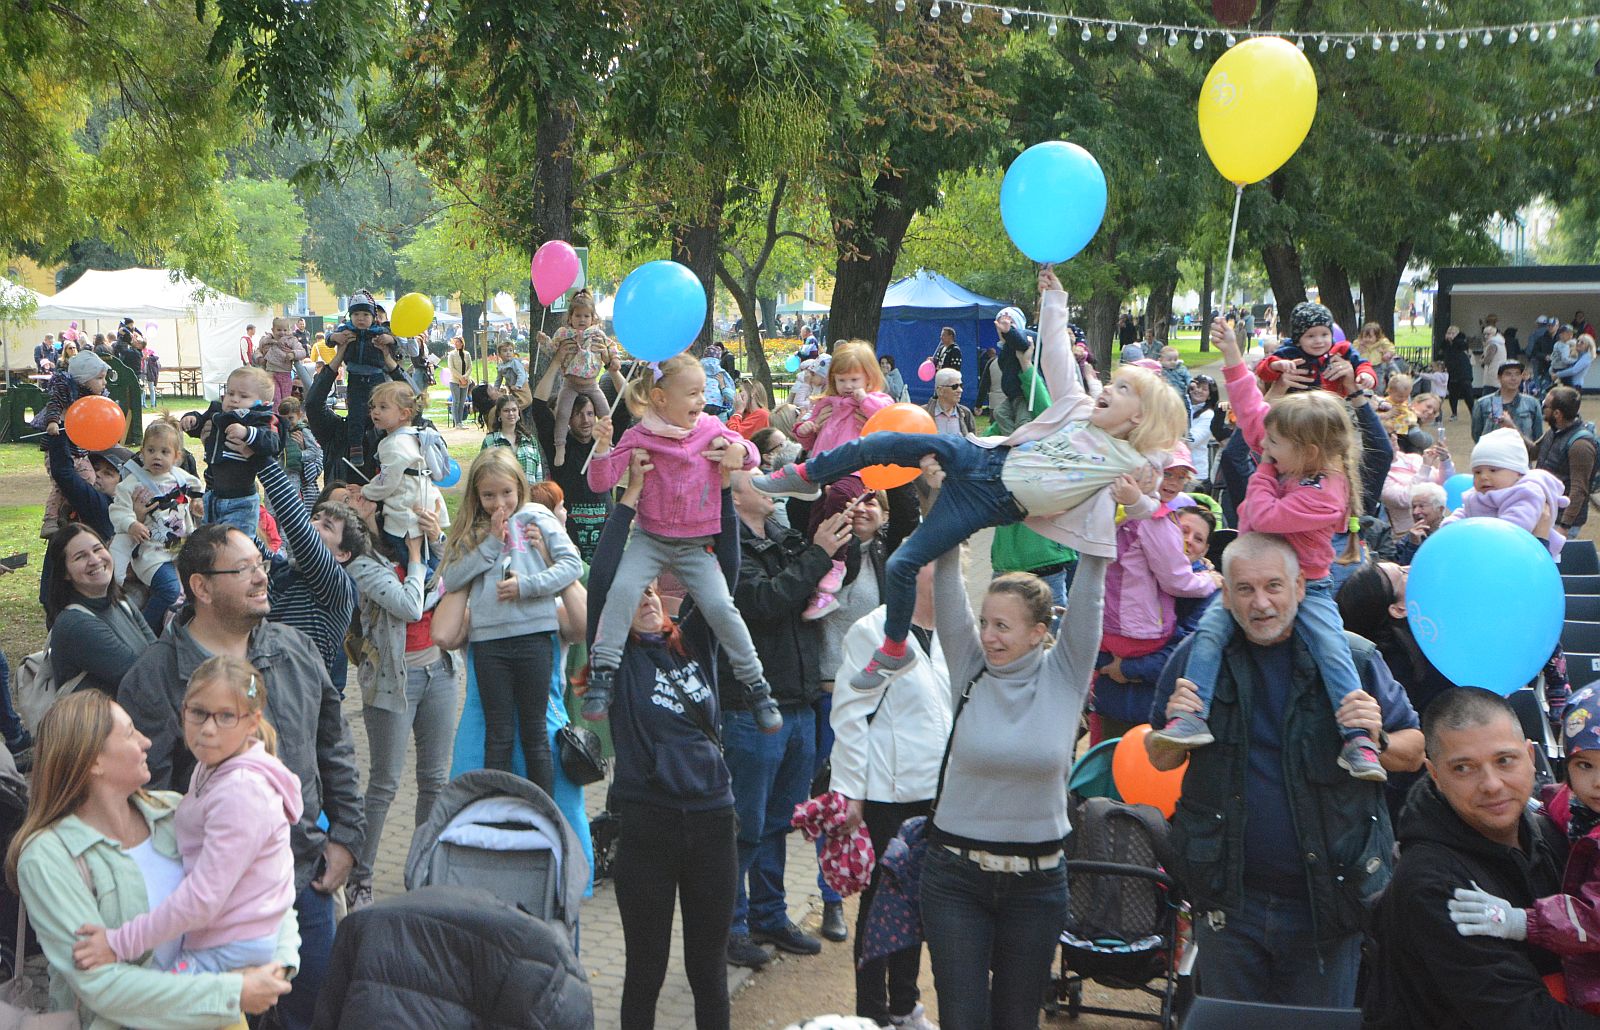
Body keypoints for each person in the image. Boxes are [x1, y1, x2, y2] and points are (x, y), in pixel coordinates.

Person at [756, 267, 1184, 692]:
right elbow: (1055, 357)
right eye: (1115, 382)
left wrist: (1140, 493)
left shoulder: (1128, 460)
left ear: (1140, 417)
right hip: (985, 459)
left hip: (992, 505)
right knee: (884, 441)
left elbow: (1153, 495)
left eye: (1124, 390)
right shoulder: (1077, 409)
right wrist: (1054, 303)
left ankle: (893, 648)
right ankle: (805, 474)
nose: (1109, 388)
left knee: (904, 562)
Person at [1150, 533, 1423, 1007]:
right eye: (1245, 589)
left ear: (1300, 586)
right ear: (1225, 593)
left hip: (1327, 904)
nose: (1261, 603)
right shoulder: (1196, 660)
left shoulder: (1352, 658)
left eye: (1274, 586)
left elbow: (1414, 751)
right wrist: (1174, 721)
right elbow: (1160, 757)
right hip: (1228, 903)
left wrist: (1376, 738)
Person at [116, 523, 366, 1029]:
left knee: (314, 1015)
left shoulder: (294, 649)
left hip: (304, 883)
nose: (261, 577)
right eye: (244, 568)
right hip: (212, 911)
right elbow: (143, 797)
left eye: (261, 564)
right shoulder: (155, 676)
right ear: (201, 587)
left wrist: (346, 840)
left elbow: (334, 747)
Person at [1149, 317, 1386, 780]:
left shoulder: (1325, 489)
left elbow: (1263, 515)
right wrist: (1234, 355)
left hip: (1309, 587)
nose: (1262, 446)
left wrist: (1260, 473)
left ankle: (1357, 738)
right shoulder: (1288, 452)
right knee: (1211, 634)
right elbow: (1253, 410)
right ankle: (1191, 715)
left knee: (1331, 647)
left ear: (1309, 450)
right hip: (1250, 578)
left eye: (1273, 444)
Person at [8, 691, 296, 1027]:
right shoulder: (46, 857)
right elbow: (101, 986)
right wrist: (232, 993)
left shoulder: (176, 811)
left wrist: (280, 962)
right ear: (93, 761)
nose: (146, 742)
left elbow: (264, 885)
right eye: (130, 733)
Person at [918, 534, 1107, 1028]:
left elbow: (1090, 591)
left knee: (1016, 1020)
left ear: (1038, 632)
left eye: (1002, 626)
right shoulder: (969, 666)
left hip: (1037, 886)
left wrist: (1100, 510)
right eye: (985, 623)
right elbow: (947, 588)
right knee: (962, 1018)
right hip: (955, 877)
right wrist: (946, 507)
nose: (988, 636)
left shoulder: (1065, 675)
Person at [591, 450, 740, 1030]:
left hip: (711, 821)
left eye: (655, 592)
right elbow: (604, 580)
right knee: (645, 968)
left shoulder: (696, 642)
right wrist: (628, 502)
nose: (648, 598)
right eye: (639, 595)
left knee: (708, 970)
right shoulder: (620, 659)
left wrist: (722, 491)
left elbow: (723, 578)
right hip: (648, 824)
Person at [1363, 688, 1600, 1029]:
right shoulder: (1430, 882)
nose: (1491, 784)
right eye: (1464, 768)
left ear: (1531, 758)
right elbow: (1519, 1017)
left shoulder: (1554, 833)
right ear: (1435, 775)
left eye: (1504, 761)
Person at [583, 355, 780, 729]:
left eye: (703, 391)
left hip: (695, 544)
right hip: (650, 538)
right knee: (623, 589)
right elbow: (600, 482)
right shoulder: (640, 434)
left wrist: (742, 452)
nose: (702, 400)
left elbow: (750, 453)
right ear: (660, 398)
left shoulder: (710, 428)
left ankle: (756, 684)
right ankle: (602, 673)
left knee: (722, 606)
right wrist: (604, 448)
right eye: (693, 393)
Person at [72, 656, 300, 977]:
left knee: (159, 1008)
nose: (207, 729)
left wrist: (118, 943)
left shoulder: (241, 792)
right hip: (219, 938)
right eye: (197, 712)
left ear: (252, 722)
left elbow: (202, 899)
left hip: (229, 948)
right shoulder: (211, 767)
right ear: (183, 711)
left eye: (225, 716)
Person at [723, 471, 853, 966]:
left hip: (797, 703)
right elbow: (766, 602)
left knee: (779, 820)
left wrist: (849, 534)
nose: (772, 488)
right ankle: (730, 928)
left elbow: (823, 582)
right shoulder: (726, 548)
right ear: (736, 497)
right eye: (760, 482)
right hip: (752, 708)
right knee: (744, 826)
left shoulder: (782, 536)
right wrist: (818, 555)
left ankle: (769, 916)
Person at [829, 564, 947, 1030]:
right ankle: (871, 1014)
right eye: (939, 563)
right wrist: (851, 792)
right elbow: (851, 711)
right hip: (886, 795)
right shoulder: (872, 630)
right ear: (911, 569)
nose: (949, 573)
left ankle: (904, 1006)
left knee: (919, 904)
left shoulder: (959, 629)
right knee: (881, 908)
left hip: (939, 795)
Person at [1447, 686, 1600, 1015]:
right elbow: (1556, 806)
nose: (1597, 781)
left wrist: (1520, 922)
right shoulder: (1577, 805)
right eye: (1585, 765)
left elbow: (1595, 918)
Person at [438, 449, 579, 795]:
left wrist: (527, 587)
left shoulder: (537, 517)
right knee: (498, 733)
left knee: (534, 732)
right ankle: (498, 809)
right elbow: (452, 578)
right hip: (489, 645)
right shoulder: (474, 529)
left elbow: (571, 566)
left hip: (535, 636)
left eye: (506, 493)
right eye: (488, 495)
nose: (498, 502)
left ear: (519, 487)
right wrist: (490, 543)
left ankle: (541, 811)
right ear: (477, 495)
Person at [342, 497, 454, 912]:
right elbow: (409, 606)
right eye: (401, 513)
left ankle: (421, 870)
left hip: (439, 672)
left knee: (435, 780)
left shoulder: (425, 548)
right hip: (392, 680)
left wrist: (436, 539)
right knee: (385, 783)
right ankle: (360, 876)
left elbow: (456, 571)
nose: (411, 520)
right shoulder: (365, 562)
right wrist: (412, 554)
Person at [1095, 448, 1222, 739]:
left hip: (1153, 709)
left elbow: (1187, 650)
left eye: (1199, 538)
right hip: (1112, 701)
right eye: (1183, 530)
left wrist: (1125, 667)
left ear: (1206, 549)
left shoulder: (1208, 594)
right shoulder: (1151, 527)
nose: (1188, 541)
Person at [110, 420, 203, 633]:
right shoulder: (132, 483)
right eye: (151, 450)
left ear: (177, 457)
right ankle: (144, 630)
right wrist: (132, 523)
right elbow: (117, 511)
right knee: (169, 590)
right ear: (142, 453)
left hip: (181, 548)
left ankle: (183, 630)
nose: (157, 457)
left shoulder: (179, 477)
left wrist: (197, 501)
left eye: (164, 451)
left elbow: (197, 486)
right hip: (151, 553)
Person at [43, 523, 157, 695]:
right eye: (80, 557)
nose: (95, 560)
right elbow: (141, 679)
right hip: (103, 720)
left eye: (97, 549)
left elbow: (159, 653)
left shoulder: (121, 601)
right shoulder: (76, 625)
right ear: (65, 573)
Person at [182, 366, 281, 541]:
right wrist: (193, 420)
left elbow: (272, 443)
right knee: (211, 544)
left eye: (243, 396)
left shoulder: (260, 419)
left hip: (241, 498)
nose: (234, 400)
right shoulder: (217, 412)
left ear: (262, 403)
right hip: (212, 496)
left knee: (235, 543)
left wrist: (248, 433)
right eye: (230, 393)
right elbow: (201, 423)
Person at [1444, 427, 1569, 556]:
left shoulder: (1525, 493)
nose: (1483, 476)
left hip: (1518, 552)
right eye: (1477, 472)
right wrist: (1450, 528)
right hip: (1486, 552)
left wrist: (1475, 536)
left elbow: (1513, 527)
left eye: (1493, 470)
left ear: (1518, 473)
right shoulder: (1477, 496)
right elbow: (1465, 512)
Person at [304, 334, 409, 478]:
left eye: (377, 404)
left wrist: (388, 360)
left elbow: (414, 403)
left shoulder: (392, 431)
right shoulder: (335, 431)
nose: (365, 405)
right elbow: (313, 404)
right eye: (357, 397)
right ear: (348, 400)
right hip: (341, 496)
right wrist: (338, 358)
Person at [359, 380, 432, 567]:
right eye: (373, 406)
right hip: (421, 508)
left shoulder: (394, 445)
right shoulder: (411, 435)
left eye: (383, 407)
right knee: (428, 557)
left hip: (404, 518)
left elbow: (387, 482)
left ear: (404, 414)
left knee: (411, 562)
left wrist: (365, 491)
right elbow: (389, 473)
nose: (375, 412)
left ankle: (426, 588)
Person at [546, 291, 612, 466]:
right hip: (570, 383)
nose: (582, 319)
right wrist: (544, 342)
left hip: (592, 384)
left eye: (586, 316)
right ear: (570, 318)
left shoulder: (597, 334)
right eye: (578, 316)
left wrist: (613, 358)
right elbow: (552, 349)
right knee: (562, 413)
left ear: (592, 318)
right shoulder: (564, 333)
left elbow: (610, 347)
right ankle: (560, 446)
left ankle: (608, 442)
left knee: (605, 412)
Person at [795, 342, 894, 458]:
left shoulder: (876, 398)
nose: (848, 386)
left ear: (869, 377)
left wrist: (865, 400)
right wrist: (805, 432)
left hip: (854, 466)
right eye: (841, 380)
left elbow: (886, 416)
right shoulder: (826, 402)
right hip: (823, 465)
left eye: (854, 380)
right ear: (833, 379)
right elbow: (810, 443)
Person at [1255, 302, 1377, 397]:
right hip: (1298, 406)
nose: (1319, 341)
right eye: (1311, 336)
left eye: (1324, 334)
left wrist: (1366, 374)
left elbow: (1362, 363)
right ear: (1298, 339)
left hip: (1334, 405)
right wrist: (1275, 365)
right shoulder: (1289, 352)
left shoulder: (1341, 349)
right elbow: (1262, 370)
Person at [1538, 385, 1597, 539]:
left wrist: (1564, 528)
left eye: (1545, 405)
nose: (1542, 407)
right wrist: (1512, 429)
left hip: (1560, 521)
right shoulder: (1554, 432)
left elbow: (1579, 490)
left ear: (1557, 414)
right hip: (1546, 513)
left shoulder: (1580, 444)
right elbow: (1533, 451)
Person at [481, 392, 546, 484]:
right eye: (506, 410)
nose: (511, 413)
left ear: (518, 412)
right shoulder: (490, 441)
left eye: (514, 410)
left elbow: (538, 473)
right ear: (499, 414)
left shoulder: (530, 440)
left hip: (529, 496)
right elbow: (483, 473)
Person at [1471, 360, 1542, 442]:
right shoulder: (1483, 404)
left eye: (1517, 374)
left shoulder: (1532, 403)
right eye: (1508, 374)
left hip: (1522, 452)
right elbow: (1477, 435)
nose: (1513, 378)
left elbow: (1537, 436)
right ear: (1499, 377)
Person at [924, 367, 974, 438]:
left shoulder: (966, 414)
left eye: (961, 385)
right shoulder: (923, 414)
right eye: (955, 386)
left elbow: (973, 444)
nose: (960, 390)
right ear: (940, 390)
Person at [1441, 325, 1476, 421]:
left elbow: (1463, 347)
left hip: (1463, 371)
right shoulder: (1446, 344)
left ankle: (1473, 413)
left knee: (1467, 393)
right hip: (1452, 371)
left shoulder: (1461, 342)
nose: (1450, 335)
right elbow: (1442, 352)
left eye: (1453, 333)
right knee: (1453, 393)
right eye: (1449, 333)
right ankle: (1454, 413)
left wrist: (1454, 340)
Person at [445, 335, 473, 427]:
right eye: (455, 342)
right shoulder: (451, 354)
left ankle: (460, 421)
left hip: (465, 381)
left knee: (462, 402)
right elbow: (451, 368)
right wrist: (460, 377)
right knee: (456, 401)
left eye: (458, 342)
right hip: (455, 381)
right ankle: (456, 422)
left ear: (462, 343)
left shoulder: (467, 354)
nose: (456, 344)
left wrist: (465, 377)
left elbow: (470, 367)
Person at [1476, 323, 1508, 399]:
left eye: (1488, 334)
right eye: (1484, 334)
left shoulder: (1493, 344)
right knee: (1498, 396)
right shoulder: (1501, 343)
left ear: (1494, 334)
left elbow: (1487, 360)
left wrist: (1481, 360)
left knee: (1487, 397)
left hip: (1492, 373)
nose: (1486, 336)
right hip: (1500, 372)